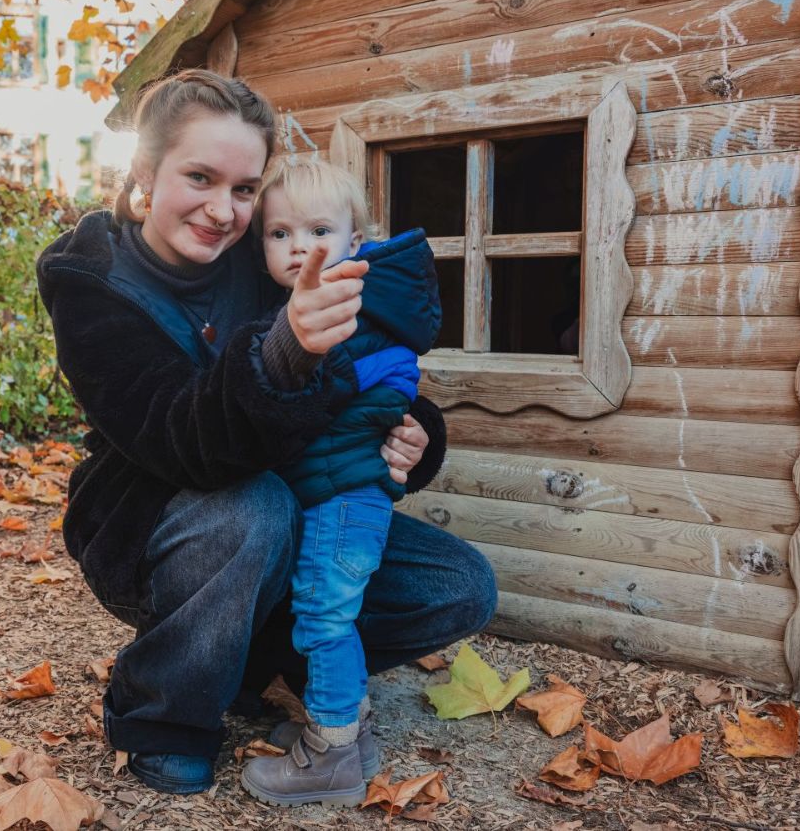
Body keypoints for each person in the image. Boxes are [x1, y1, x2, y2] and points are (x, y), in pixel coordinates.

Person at [35, 68, 497, 796]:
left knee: (457, 585)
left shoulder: (268, 250)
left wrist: (414, 432)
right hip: (155, 520)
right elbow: (176, 441)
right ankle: (162, 712)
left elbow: (368, 362)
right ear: (147, 171)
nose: (223, 210)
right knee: (256, 508)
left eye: (245, 189)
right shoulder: (92, 280)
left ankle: (254, 668)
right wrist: (287, 350)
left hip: (298, 496)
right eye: (200, 177)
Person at [240, 158, 440, 807]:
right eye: (279, 233)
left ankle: (329, 752)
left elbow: (380, 389)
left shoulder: (350, 314)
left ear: (358, 239)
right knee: (325, 612)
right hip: (335, 489)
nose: (298, 246)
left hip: (348, 495)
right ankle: (355, 731)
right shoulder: (316, 306)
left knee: (325, 616)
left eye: (319, 229)